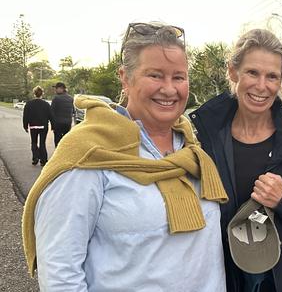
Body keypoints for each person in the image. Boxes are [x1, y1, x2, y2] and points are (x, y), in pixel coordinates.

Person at [22, 22, 230, 291]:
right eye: (155, 75)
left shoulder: (193, 150)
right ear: (125, 77)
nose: (169, 89)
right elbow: (60, 272)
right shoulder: (90, 154)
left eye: (178, 77)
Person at [190, 29, 282, 292]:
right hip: (218, 274)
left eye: (272, 76)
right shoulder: (204, 134)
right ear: (233, 72)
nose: (262, 86)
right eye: (252, 73)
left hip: (277, 280)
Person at [22, 86, 53, 166]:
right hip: (43, 126)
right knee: (42, 143)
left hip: (33, 126)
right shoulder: (46, 104)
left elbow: (25, 116)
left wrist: (25, 126)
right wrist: (53, 125)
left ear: (34, 93)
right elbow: (51, 115)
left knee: (34, 142)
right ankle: (43, 160)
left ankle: (35, 158)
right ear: (42, 93)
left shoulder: (29, 104)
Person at [50, 81, 74, 147]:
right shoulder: (71, 98)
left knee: (57, 140)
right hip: (68, 124)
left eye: (56, 88)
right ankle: (64, 153)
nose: (55, 90)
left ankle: (58, 154)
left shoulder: (56, 98)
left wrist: (52, 125)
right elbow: (73, 111)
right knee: (65, 140)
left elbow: (51, 112)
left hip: (58, 124)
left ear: (61, 89)